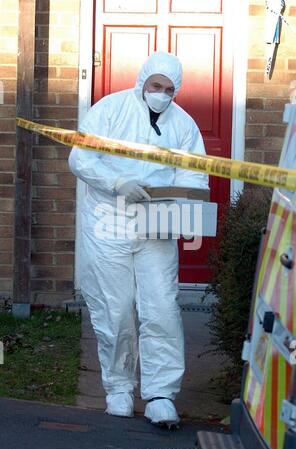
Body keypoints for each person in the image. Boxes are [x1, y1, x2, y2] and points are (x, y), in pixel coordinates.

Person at [68, 51, 209, 427]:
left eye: (169, 89)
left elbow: (194, 175)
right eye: (156, 86)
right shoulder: (110, 109)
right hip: (108, 219)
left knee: (161, 306)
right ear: (142, 81)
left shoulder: (184, 125)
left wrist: (187, 214)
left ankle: (161, 393)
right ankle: (118, 388)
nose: (161, 94)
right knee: (115, 308)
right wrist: (116, 183)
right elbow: (80, 158)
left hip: (156, 223)